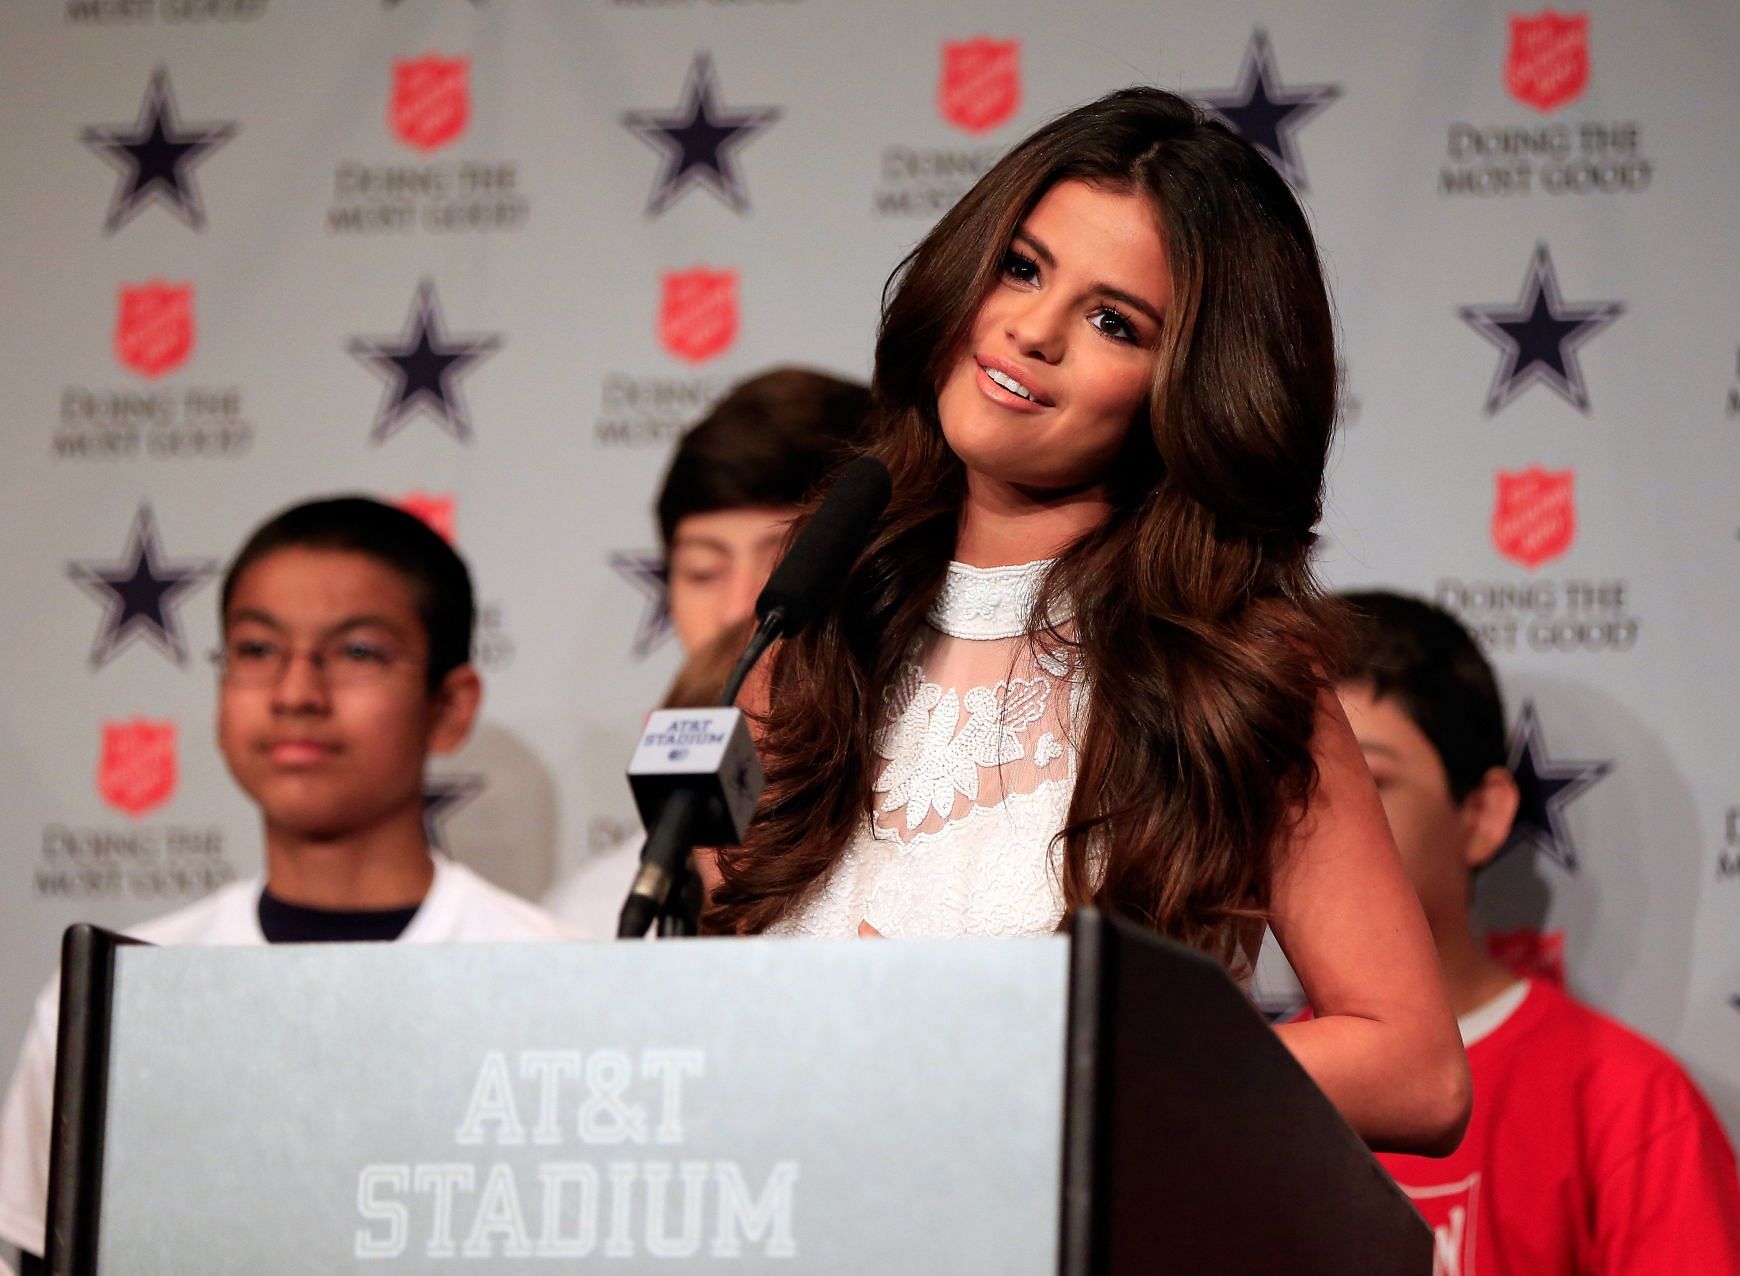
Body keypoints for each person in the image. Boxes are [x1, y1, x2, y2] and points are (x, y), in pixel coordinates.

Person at [707, 88, 1472, 1154]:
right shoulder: (825, 620)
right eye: (1021, 267)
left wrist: (1052, 1069)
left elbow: (1417, 1071)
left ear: (1190, 388)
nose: (1032, 329)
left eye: (1114, 321)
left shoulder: (1231, 677)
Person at [0, 497, 582, 1274]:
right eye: (257, 648)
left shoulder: (561, 982)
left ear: (450, 706)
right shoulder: (118, 988)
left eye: (358, 653)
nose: (296, 692)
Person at [1336, 590, 1740, 1273]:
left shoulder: (1628, 1104)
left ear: (1482, 815)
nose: (1311, 817)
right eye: (1286, 780)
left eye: (1367, 780)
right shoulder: (1241, 1087)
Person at [543, 367, 871, 934]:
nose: (742, 608)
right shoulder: (599, 914)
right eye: (703, 570)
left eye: (781, 563)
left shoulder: (934, 851)